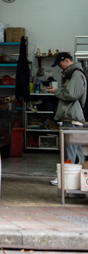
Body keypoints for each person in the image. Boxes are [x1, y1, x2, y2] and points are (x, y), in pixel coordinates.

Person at [45, 51, 86, 184]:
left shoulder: (76, 74)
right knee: (76, 149)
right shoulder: (72, 74)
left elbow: (71, 94)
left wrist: (56, 91)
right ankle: (78, 177)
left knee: (69, 149)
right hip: (72, 117)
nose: (60, 66)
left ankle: (66, 178)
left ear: (67, 60)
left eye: (60, 63)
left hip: (72, 117)